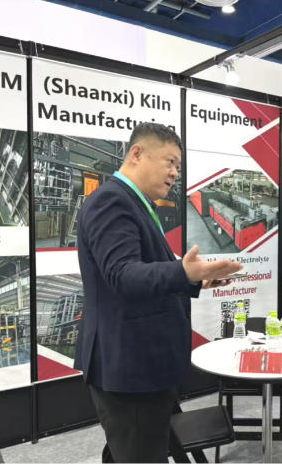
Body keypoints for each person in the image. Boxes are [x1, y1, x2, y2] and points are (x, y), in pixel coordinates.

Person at [74, 122, 242, 463]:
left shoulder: (133, 203)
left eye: (178, 166)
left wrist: (194, 280)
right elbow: (123, 274)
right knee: (140, 453)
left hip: (139, 366)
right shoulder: (111, 202)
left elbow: (142, 271)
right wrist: (183, 271)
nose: (175, 173)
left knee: (130, 449)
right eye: (170, 162)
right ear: (137, 154)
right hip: (131, 370)